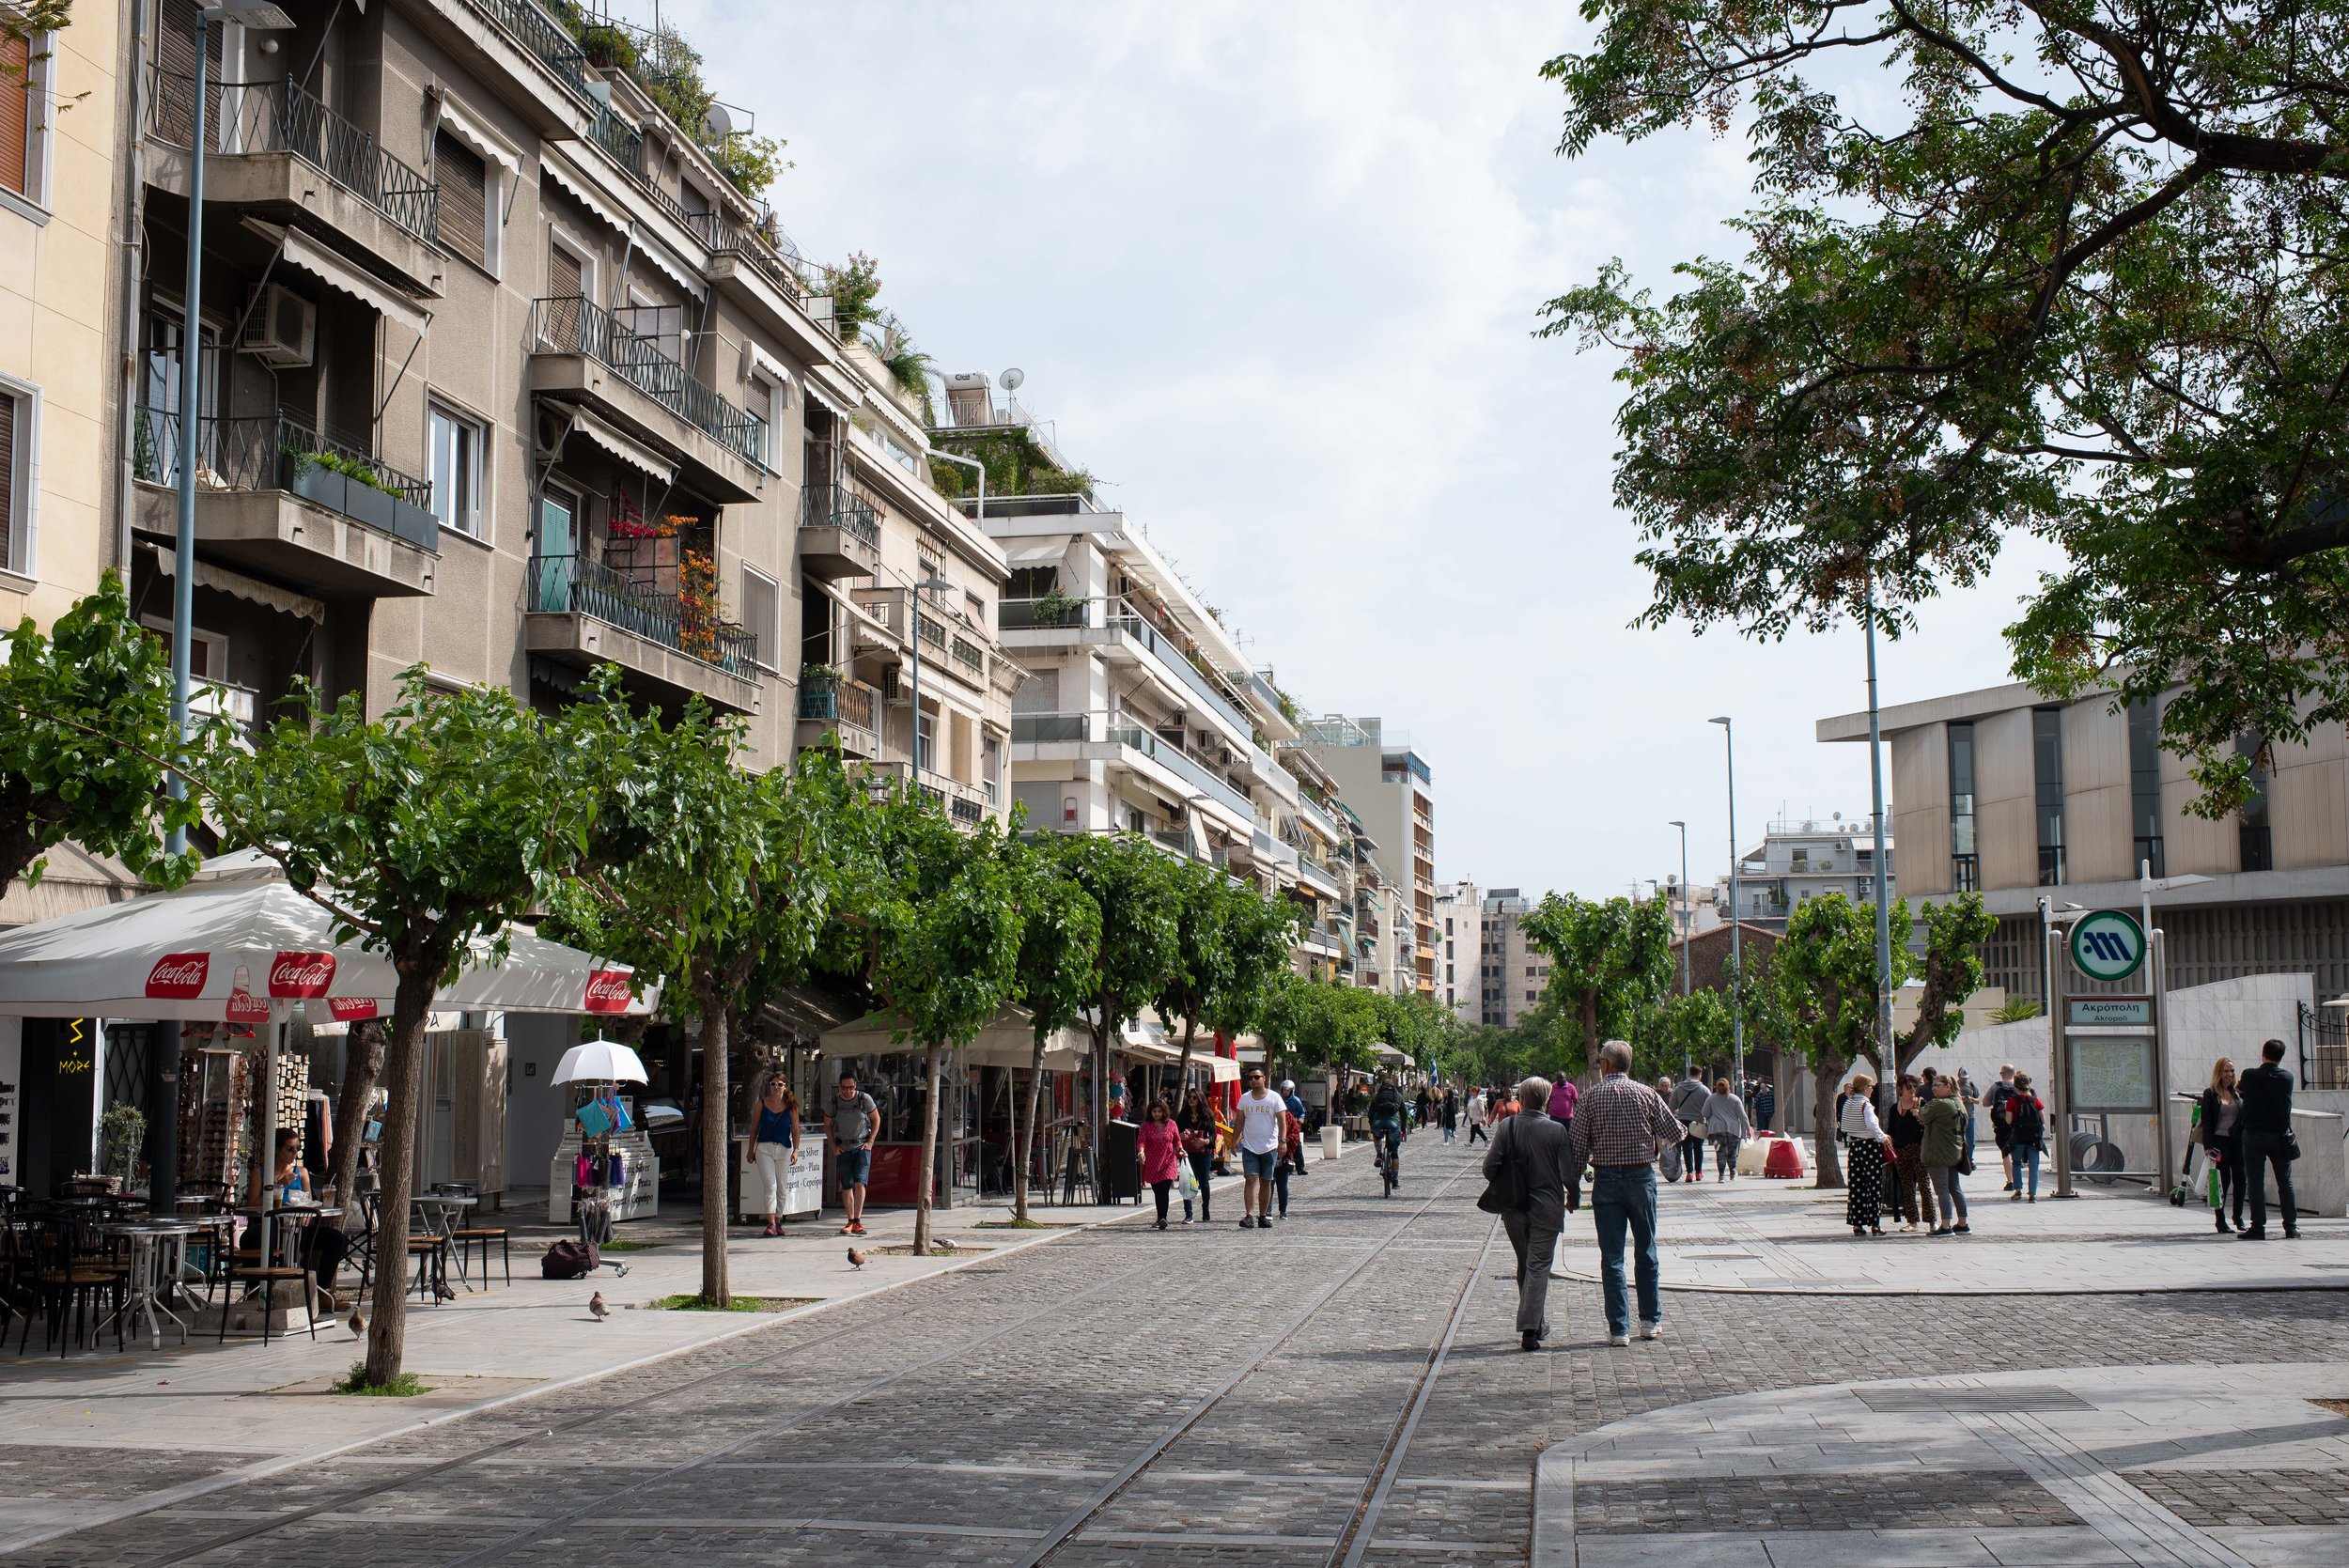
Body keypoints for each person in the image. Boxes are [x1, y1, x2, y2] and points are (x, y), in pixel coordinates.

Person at [1564, 1042, 1684, 1346]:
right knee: (1646, 1250)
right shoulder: (1647, 1094)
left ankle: (1619, 1329)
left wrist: (1573, 1187)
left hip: (1606, 1182)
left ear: (1605, 1064)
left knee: (1612, 1257)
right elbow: (1675, 1132)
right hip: (1641, 1178)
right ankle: (1649, 1321)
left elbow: (1578, 1148)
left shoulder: (1590, 1097)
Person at [1486, 1075, 1577, 1353]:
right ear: (1548, 1100)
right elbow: (1568, 1173)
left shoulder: (1507, 1128)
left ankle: (1538, 1323)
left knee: (1526, 1264)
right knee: (1538, 1266)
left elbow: (1489, 1169)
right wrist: (1574, 1194)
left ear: (1522, 1099)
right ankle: (1529, 1328)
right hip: (1547, 1206)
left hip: (1513, 1206)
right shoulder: (1556, 1131)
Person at [2237, 1037, 2299, 1240]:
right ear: (2281, 1058)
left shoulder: (2250, 1075)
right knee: (2285, 1181)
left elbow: (2242, 1091)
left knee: (2255, 1181)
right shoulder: (2287, 1078)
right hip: (2280, 1136)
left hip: (2254, 1135)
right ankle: (2290, 1227)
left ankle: (2258, 1227)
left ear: (2262, 1054)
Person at [1839, 1073, 1891, 1236]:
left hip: (1854, 1148)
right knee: (1873, 1186)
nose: (1872, 1090)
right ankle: (1875, 1223)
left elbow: (1844, 1127)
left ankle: (1857, 1223)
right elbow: (1872, 1126)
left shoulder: (1848, 1102)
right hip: (1869, 1147)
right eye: (1870, 1087)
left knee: (1856, 1186)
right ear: (1863, 1088)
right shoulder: (1866, 1105)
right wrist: (1883, 1138)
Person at [2198, 1057, 2246, 1234]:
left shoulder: (2238, 1092)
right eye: (2226, 1071)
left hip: (2237, 1141)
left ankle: (2238, 1216)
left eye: (2232, 1071)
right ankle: (2220, 1219)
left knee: (2241, 1179)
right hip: (2219, 1141)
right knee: (2222, 1181)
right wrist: (2208, 1146)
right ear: (2219, 1072)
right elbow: (2207, 1121)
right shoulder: (2211, 1093)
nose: (2230, 1074)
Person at [829, 1071, 879, 1237]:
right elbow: (827, 1124)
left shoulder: (864, 1099)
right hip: (843, 1147)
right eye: (844, 1088)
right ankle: (850, 1220)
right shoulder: (834, 1102)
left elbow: (876, 1119)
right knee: (846, 1185)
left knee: (860, 1182)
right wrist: (833, 1145)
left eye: (851, 1087)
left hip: (861, 1147)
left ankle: (857, 1220)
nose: (847, 1091)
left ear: (855, 1086)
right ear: (839, 1087)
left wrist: (870, 1141)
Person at [1919, 1074, 1969, 1234]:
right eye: (1933, 1085)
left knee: (1941, 1190)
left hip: (1938, 1152)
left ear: (1948, 1086)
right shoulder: (1959, 1103)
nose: (1933, 1088)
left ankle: (1946, 1225)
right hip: (1954, 1151)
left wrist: (1917, 1111)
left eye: (1937, 1085)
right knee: (1955, 1187)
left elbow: (1922, 1115)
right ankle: (1962, 1223)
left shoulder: (1940, 1104)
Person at [1235, 1068, 1286, 1228]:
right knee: (1250, 1179)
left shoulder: (1274, 1098)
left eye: (1257, 1077)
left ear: (1264, 1078)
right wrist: (1233, 1141)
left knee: (1266, 1182)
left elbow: (1282, 1122)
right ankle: (1249, 1215)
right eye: (1250, 1078)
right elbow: (1239, 1121)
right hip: (1249, 1146)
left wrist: (1282, 1141)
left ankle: (1263, 1215)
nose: (1253, 1080)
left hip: (1269, 1146)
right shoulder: (1244, 1099)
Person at [752, 1076, 801, 1237]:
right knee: (770, 1185)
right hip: (764, 1148)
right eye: (773, 1084)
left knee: (781, 1186)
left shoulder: (791, 1106)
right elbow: (754, 1127)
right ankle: (770, 1223)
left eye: (780, 1084)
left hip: (784, 1148)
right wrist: (750, 1149)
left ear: (785, 1086)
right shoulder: (762, 1103)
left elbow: (795, 1129)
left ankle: (778, 1221)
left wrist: (796, 1149)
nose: (776, 1087)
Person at [1888, 1077, 1933, 1232]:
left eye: (1914, 1087)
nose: (1912, 1090)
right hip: (1900, 1151)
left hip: (1919, 1149)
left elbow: (1929, 1125)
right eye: (1909, 1087)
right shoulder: (1895, 1108)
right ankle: (1912, 1222)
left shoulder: (1922, 1104)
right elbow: (1891, 1130)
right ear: (1900, 1089)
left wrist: (1918, 1115)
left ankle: (1932, 1221)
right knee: (1906, 1187)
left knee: (1924, 1185)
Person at [1138, 1098, 1184, 1230]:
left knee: (1164, 1189)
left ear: (1164, 1112)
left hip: (1168, 1160)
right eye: (1154, 1111)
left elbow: (1177, 1141)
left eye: (1159, 1111)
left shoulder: (1171, 1124)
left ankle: (1163, 1217)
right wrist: (1141, 1152)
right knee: (1157, 1190)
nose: (1157, 1114)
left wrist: (1180, 1149)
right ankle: (1160, 1217)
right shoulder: (1146, 1126)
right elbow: (1141, 1141)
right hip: (1152, 1162)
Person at [1175, 1088, 1217, 1223]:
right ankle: (1188, 1213)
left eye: (1194, 1097)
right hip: (1187, 1153)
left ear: (1199, 1099)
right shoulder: (1183, 1116)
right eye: (1190, 1097)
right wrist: (1181, 1136)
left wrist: (1205, 1141)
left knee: (1204, 1183)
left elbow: (1213, 1135)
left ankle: (1206, 1209)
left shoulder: (1208, 1115)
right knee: (1187, 1182)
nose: (1191, 1100)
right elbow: (1176, 1134)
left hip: (1203, 1153)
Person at [2006, 1072, 2046, 1202]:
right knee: (2033, 1166)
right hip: (2034, 1137)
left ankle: (2018, 1190)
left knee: (2016, 1163)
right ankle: (2032, 1194)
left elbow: (2008, 1120)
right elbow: (2043, 1119)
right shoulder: (2035, 1100)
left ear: (2015, 1086)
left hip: (2019, 1136)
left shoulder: (2012, 1101)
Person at [1703, 1076, 1750, 1182]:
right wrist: (1748, 1129)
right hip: (1733, 1130)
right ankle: (1733, 1173)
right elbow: (1742, 1116)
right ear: (1728, 1086)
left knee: (1720, 1152)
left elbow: (1704, 1113)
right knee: (1732, 1152)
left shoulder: (1711, 1098)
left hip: (1716, 1130)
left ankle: (1721, 1175)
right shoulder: (1734, 1099)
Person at [1668, 1073, 1710, 1184]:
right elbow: (1709, 1107)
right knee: (1698, 1147)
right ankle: (1698, 1172)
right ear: (1700, 1074)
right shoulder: (1704, 1089)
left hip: (1683, 1121)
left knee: (1687, 1147)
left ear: (1689, 1074)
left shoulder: (1678, 1088)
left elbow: (1671, 1107)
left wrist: (1670, 1122)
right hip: (1698, 1122)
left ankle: (1689, 1173)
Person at [1983, 1064, 2019, 1190]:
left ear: (2003, 1074)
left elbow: (1985, 1102)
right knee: (2017, 1152)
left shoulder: (1996, 1086)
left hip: (2002, 1125)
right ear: (2014, 1073)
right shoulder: (2019, 1086)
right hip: (2018, 1125)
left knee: (2005, 1153)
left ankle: (2010, 1182)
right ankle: (2019, 1181)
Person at [1368, 1075, 1406, 1183]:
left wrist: (1372, 1125)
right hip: (1393, 1124)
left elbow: (1371, 1113)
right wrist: (1403, 1129)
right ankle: (1395, 1179)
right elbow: (1404, 1114)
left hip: (1379, 1123)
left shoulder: (1376, 1096)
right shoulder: (1398, 1096)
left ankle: (1379, 1154)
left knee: (1377, 1135)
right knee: (1394, 1153)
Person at [1274, 1096, 1303, 1219]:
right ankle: (1267, 1211)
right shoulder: (1269, 1115)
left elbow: (1295, 1133)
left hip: (1285, 1155)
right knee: (1267, 1183)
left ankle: (1283, 1210)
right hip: (1267, 1151)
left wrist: (1284, 1142)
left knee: (1282, 1183)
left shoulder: (1289, 1116)